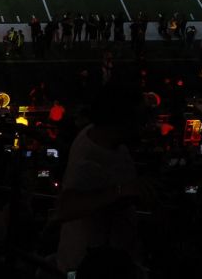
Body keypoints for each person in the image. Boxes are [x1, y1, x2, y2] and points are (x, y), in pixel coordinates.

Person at [54, 82, 148, 277]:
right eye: (137, 119)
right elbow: (65, 209)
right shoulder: (87, 161)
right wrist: (122, 191)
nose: (143, 125)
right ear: (120, 120)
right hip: (91, 268)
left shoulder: (98, 137)